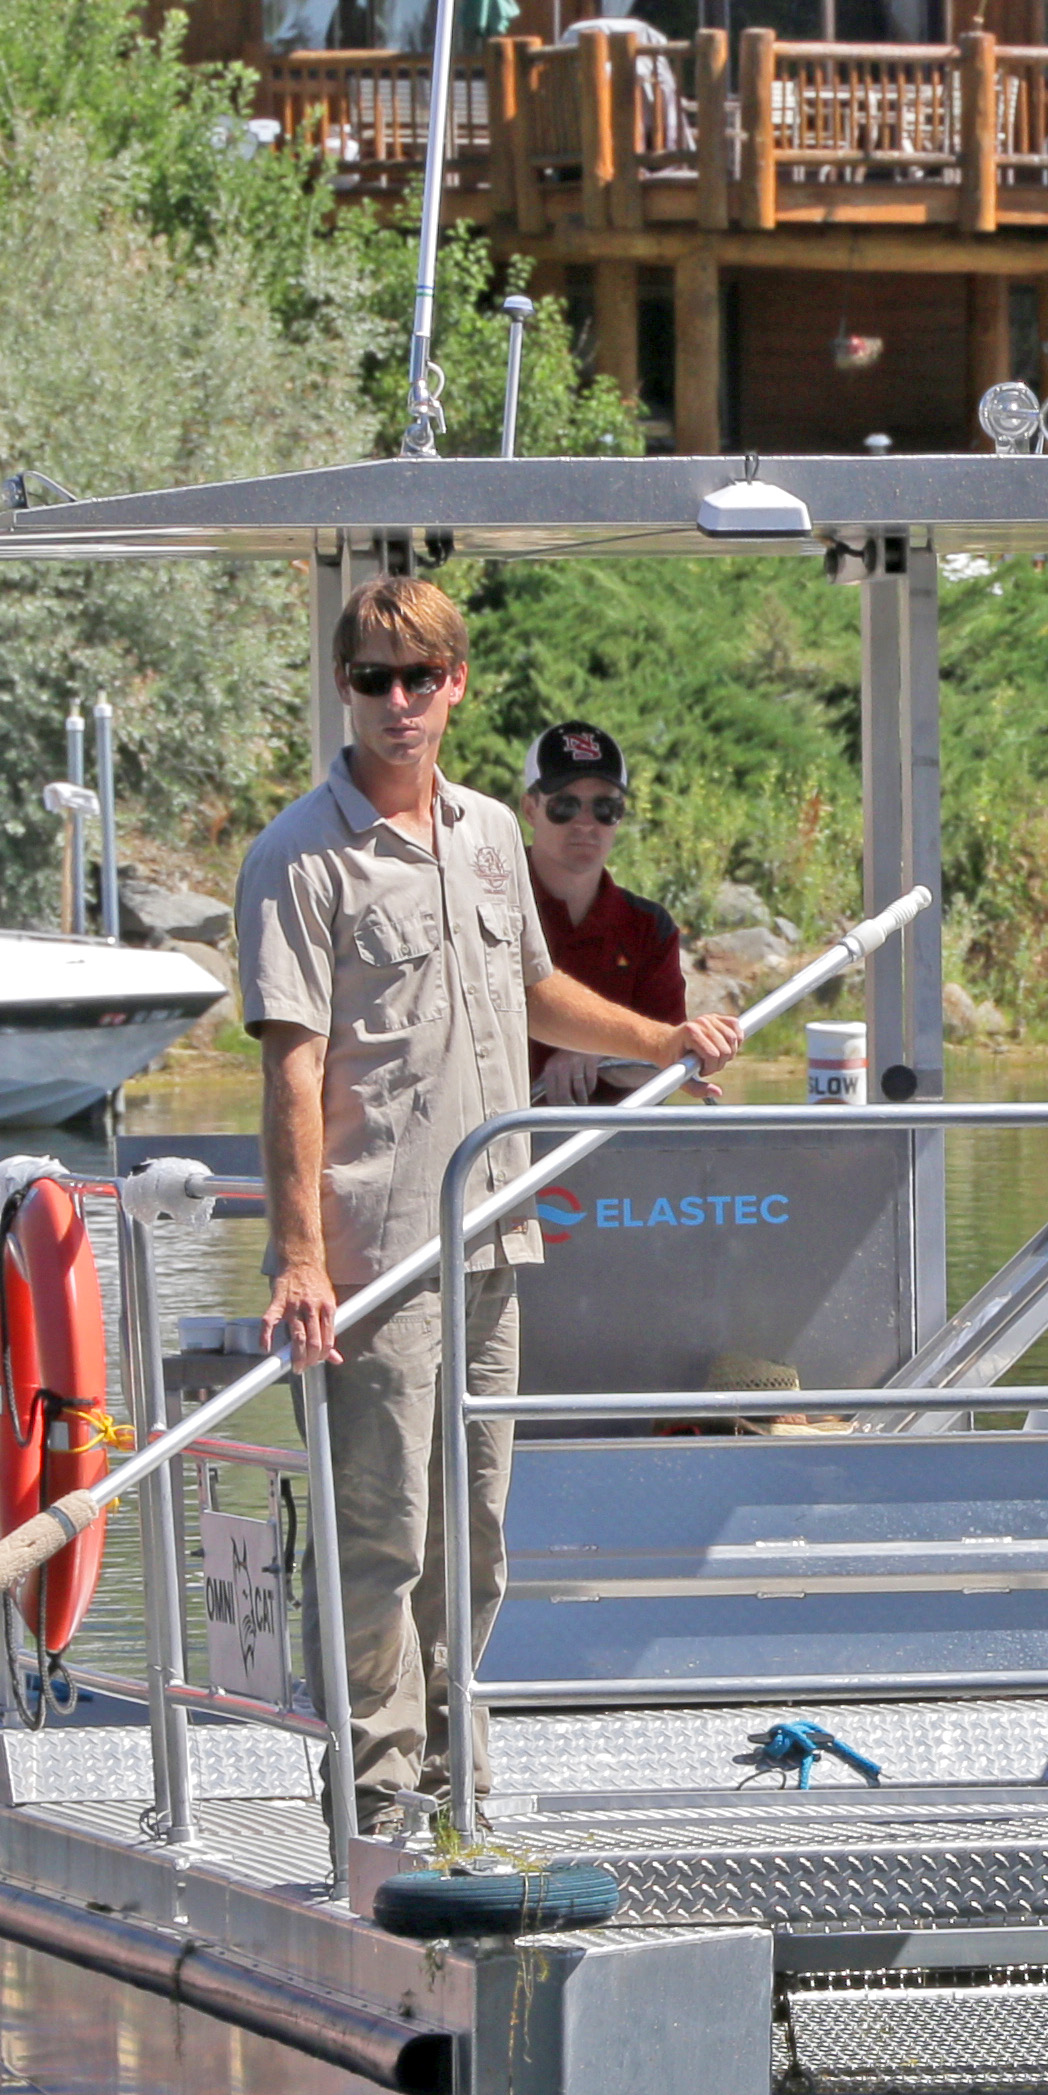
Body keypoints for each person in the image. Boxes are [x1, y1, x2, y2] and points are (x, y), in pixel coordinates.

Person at [239, 578, 738, 1833]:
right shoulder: (298, 858)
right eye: (372, 680)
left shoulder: (487, 837)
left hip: (494, 1234)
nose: (397, 703)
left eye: (420, 678)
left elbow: (533, 992)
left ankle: (458, 1775)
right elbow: (293, 1069)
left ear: (457, 685)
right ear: (342, 688)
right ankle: (373, 1792)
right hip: (377, 1255)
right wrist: (300, 1258)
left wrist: (662, 1035)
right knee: (384, 1536)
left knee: (476, 1532)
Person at [515, 719, 690, 1105]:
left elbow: (672, 1055)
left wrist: (596, 1049)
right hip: (502, 1140)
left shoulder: (649, 928)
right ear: (530, 808)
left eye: (605, 808)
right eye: (565, 805)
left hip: (622, 1147)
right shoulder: (492, 909)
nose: (585, 823)